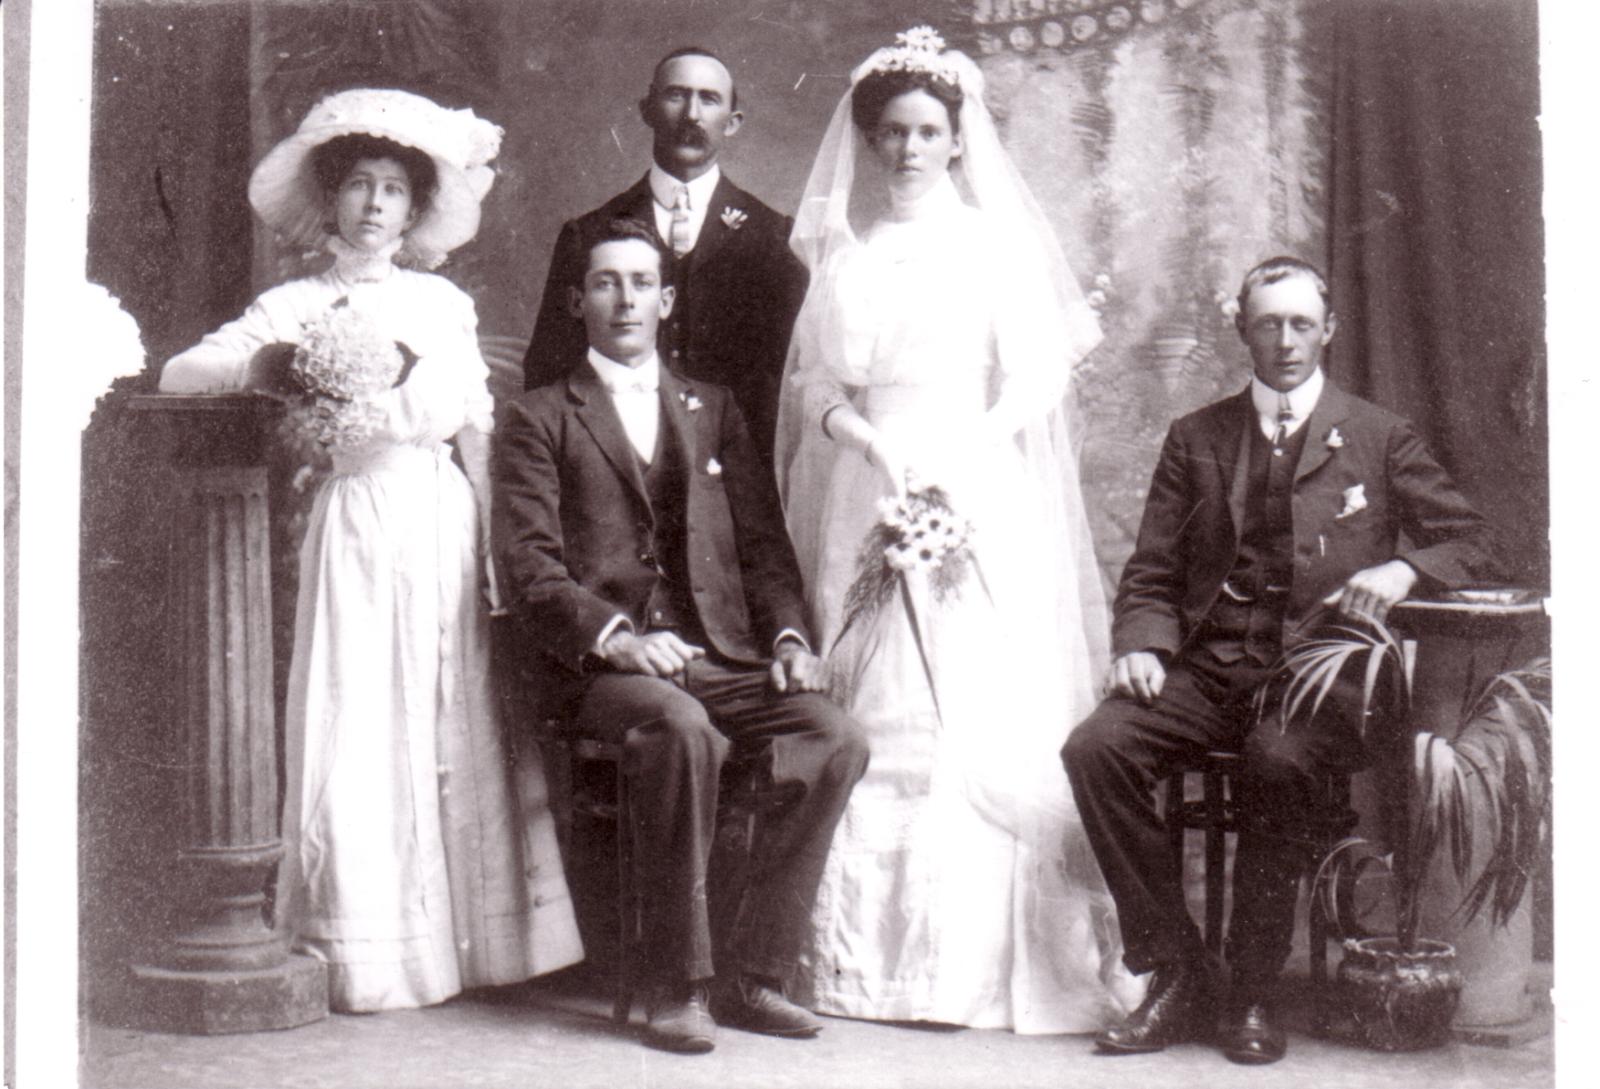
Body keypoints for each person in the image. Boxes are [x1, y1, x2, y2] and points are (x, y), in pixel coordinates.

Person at [158, 88, 583, 1012]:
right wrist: (282, 365)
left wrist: (496, 559)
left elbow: (473, 427)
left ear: (416, 209)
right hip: (352, 518)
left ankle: (467, 949)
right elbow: (179, 374)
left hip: (437, 515)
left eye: (395, 189)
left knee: (447, 711)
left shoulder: (442, 303)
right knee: (359, 711)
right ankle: (370, 946)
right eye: (359, 184)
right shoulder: (293, 301)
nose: (376, 205)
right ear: (331, 198)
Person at [773, 27, 1141, 1033]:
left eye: (926, 130)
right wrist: (872, 447)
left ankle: (963, 971)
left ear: (955, 140)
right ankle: (855, 968)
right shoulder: (846, 258)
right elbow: (817, 385)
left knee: (968, 711)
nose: (906, 148)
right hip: (866, 483)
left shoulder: (992, 247)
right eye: (890, 130)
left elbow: (1036, 378)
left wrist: (961, 452)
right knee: (871, 699)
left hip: (972, 480)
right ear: (869, 138)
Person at [1063, 256, 1499, 1064]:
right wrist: (1143, 646)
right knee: (1096, 748)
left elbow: (1473, 538)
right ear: (1243, 331)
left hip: (1318, 677)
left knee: (1276, 761)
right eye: (1269, 323)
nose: (1287, 340)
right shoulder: (1197, 437)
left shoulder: (1377, 433)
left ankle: (1254, 986)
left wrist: (1404, 568)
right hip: (1209, 665)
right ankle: (1178, 970)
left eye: (1302, 323)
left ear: (1327, 330)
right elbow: (1153, 568)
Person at [496, 217, 868, 1055]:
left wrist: (785, 639)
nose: (623, 299)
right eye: (604, 282)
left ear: (665, 301)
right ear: (576, 299)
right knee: (680, 727)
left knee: (832, 736)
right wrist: (617, 637)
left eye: (639, 283)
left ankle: (751, 972)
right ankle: (677, 980)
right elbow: (530, 568)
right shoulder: (539, 416)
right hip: (603, 670)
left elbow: (763, 547)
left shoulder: (715, 408)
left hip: (721, 653)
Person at [522, 46, 807, 467]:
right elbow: (548, 369)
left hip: (737, 481)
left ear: (732, 123)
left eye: (708, 99)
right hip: (615, 473)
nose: (691, 114)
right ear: (647, 109)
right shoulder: (589, 233)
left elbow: (789, 381)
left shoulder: (774, 237)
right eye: (676, 95)